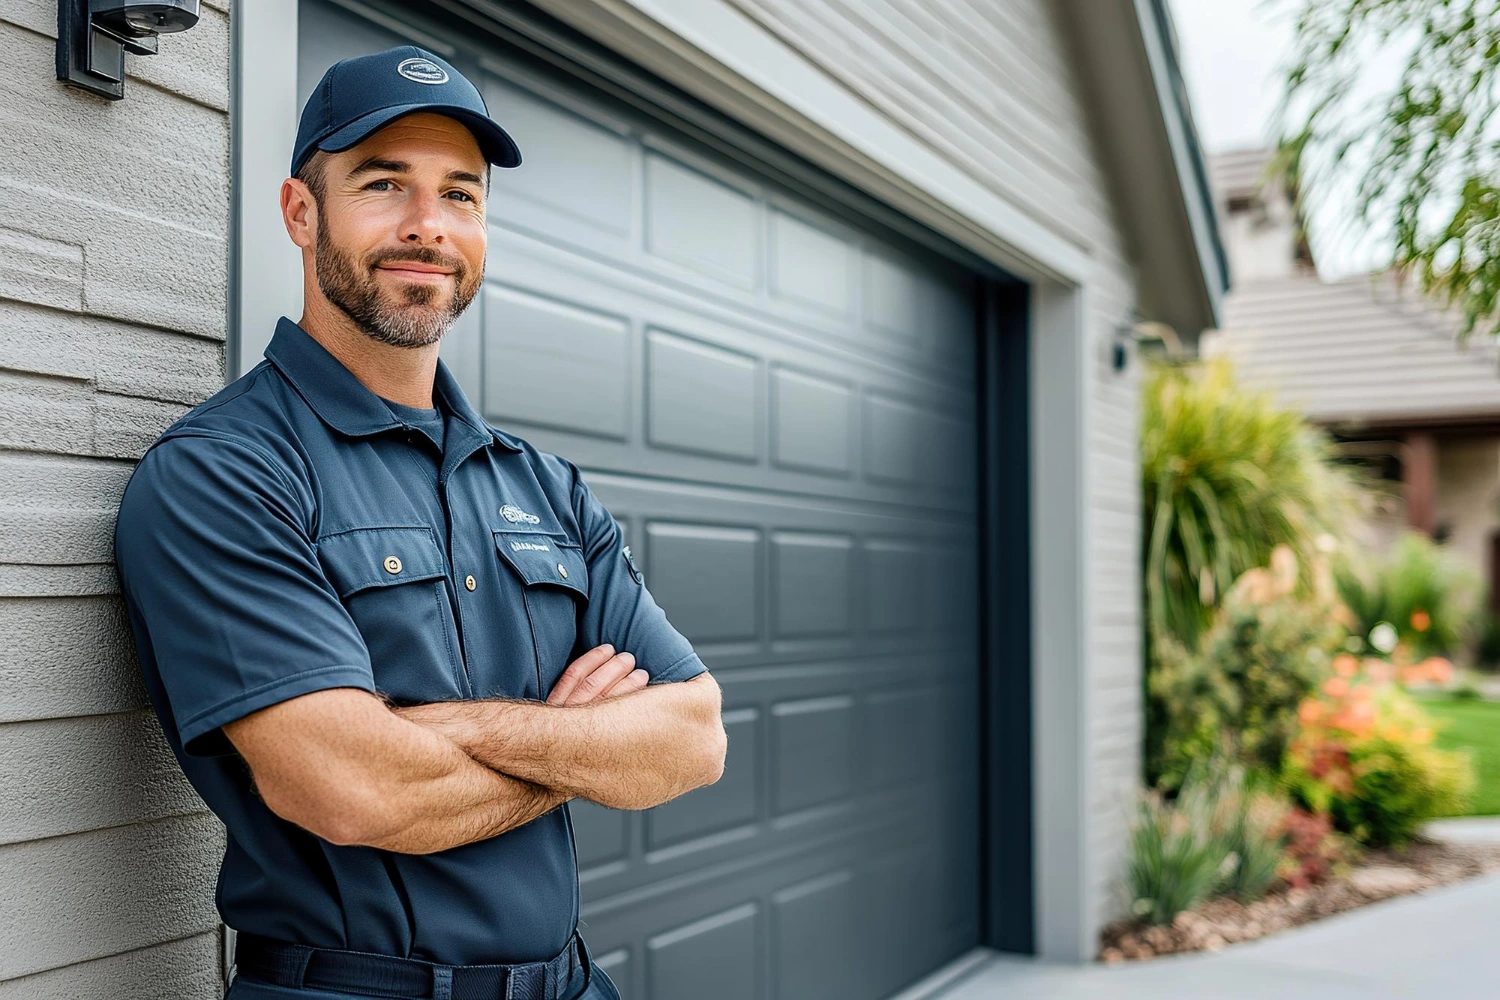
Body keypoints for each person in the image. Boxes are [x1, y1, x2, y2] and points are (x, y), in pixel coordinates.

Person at [112, 44, 726, 1000]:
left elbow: (693, 738)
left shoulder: (544, 486)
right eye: (385, 182)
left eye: (461, 195)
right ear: (300, 213)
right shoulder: (226, 472)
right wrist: (583, 745)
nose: (427, 226)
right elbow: (355, 790)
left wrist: (449, 735)